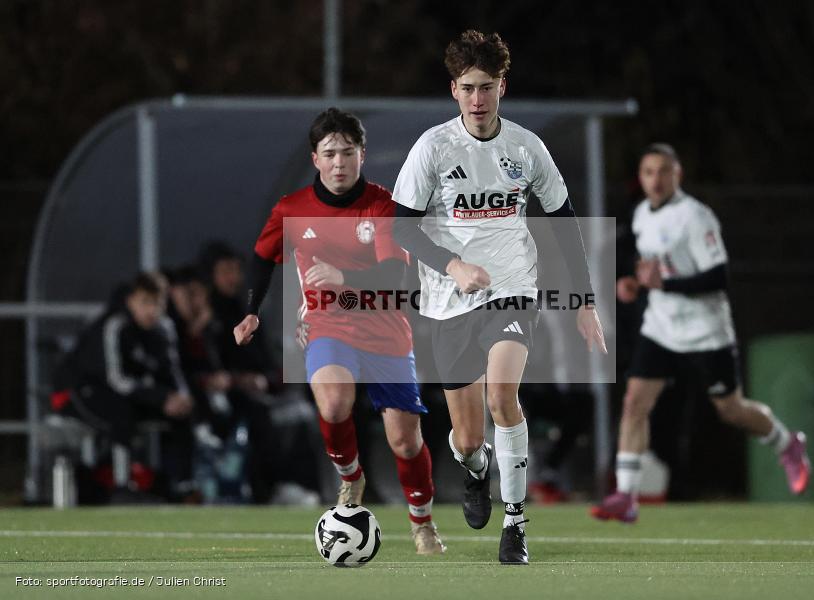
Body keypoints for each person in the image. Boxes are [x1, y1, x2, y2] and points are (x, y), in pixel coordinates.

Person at [391, 30, 606, 564]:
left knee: (502, 398)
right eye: (468, 88)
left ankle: (515, 524)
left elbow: (562, 221)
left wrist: (583, 301)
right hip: (448, 300)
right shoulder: (434, 148)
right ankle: (476, 466)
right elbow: (400, 227)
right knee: (465, 437)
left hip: (512, 289)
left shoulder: (526, 147)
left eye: (487, 87)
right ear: (454, 90)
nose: (478, 99)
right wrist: (452, 264)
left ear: (502, 87)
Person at [233, 108, 445, 554]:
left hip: (386, 330)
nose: (339, 162)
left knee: (405, 442)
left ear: (361, 155)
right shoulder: (291, 209)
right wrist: (252, 312)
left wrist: (342, 278)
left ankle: (422, 521)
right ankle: (351, 478)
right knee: (333, 403)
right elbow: (260, 258)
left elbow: (393, 275)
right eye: (330, 153)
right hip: (328, 325)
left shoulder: (383, 205)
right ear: (315, 158)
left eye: (348, 152)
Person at [590, 143, 811, 523]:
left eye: (663, 171)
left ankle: (786, 443)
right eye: (648, 172)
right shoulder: (642, 214)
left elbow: (719, 276)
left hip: (706, 331)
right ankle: (626, 496)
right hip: (660, 328)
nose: (655, 180)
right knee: (634, 403)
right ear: (640, 179)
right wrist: (634, 284)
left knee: (731, 410)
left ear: (678, 175)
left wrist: (663, 285)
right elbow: (657, 271)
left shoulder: (696, 217)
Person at [53, 273, 195, 500]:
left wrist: (180, 396)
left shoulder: (164, 328)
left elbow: (173, 372)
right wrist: (161, 397)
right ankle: (121, 485)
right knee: (121, 411)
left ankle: (183, 485)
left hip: (129, 393)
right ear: (131, 301)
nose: (152, 310)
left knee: (182, 413)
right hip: (79, 392)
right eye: (145, 302)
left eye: (158, 303)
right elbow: (116, 379)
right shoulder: (114, 325)